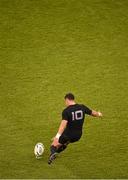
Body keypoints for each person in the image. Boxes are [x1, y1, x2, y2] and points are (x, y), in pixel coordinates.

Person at [48, 93, 103, 164]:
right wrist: (99, 114)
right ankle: (56, 153)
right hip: (78, 136)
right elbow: (92, 113)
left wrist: (57, 136)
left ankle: (53, 153)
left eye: (65, 101)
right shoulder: (82, 107)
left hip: (68, 134)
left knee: (54, 144)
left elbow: (63, 125)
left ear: (67, 100)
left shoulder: (66, 111)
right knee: (66, 143)